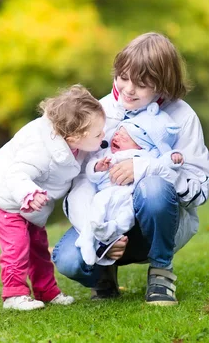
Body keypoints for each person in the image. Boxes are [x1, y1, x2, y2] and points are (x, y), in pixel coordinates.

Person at [52, 32, 209, 306]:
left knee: (153, 187)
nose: (128, 89)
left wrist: (147, 168)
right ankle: (104, 270)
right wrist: (100, 236)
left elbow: (201, 189)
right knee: (67, 261)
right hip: (105, 218)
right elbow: (77, 184)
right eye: (123, 77)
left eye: (141, 84)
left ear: (163, 84)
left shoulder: (182, 116)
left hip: (159, 221)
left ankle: (161, 273)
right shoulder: (97, 110)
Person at [0, 84, 106, 311]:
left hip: (31, 204)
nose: (103, 137)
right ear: (74, 136)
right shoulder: (40, 148)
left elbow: (79, 168)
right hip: (4, 198)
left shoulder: (73, 143)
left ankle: (46, 291)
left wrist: (97, 166)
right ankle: (14, 294)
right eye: (98, 134)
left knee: (38, 247)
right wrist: (29, 193)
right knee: (17, 245)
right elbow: (17, 173)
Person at [78, 102, 184, 266]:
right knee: (96, 208)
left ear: (141, 144)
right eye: (118, 133)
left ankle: (112, 233)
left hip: (127, 198)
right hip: (106, 194)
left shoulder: (147, 155)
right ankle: (89, 238)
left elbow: (163, 162)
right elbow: (92, 175)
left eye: (125, 137)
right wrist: (98, 168)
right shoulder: (106, 154)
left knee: (126, 218)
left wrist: (173, 157)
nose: (117, 137)